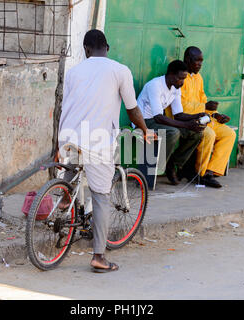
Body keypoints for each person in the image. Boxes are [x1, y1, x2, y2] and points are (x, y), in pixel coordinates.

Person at [56, 29, 154, 273]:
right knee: (101, 196)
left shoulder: (74, 71)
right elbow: (132, 109)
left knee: (73, 162)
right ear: (106, 48)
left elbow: (66, 105)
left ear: (86, 49)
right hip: (98, 140)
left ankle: (65, 194)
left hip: (68, 135)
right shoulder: (120, 70)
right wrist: (144, 129)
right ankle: (99, 256)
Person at [166, 47, 236, 188]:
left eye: (201, 61)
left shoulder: (198, 78)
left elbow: (203, 100)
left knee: (229, 134)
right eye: (196, 60)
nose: (199, 64)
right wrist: (205, 107)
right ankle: (200, 174)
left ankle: (211, 171)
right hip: (185, 119)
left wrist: (215, 114)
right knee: (209, 134)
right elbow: (182, 108)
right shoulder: (180, 78)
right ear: (187, 60)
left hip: (202, 117)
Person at [137, 60, 206, 185]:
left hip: (158, 120)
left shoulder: (175, 87)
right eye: (180, 78)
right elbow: (158, 117)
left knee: (197, 133)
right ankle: (159, 167)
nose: (182, 82)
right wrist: (186, 125)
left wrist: (197, 116)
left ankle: (173, 164)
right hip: (144, 122)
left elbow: (178, 115)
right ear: (171, 75)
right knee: (173, 132)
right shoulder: (155, 85)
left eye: (184, 78)